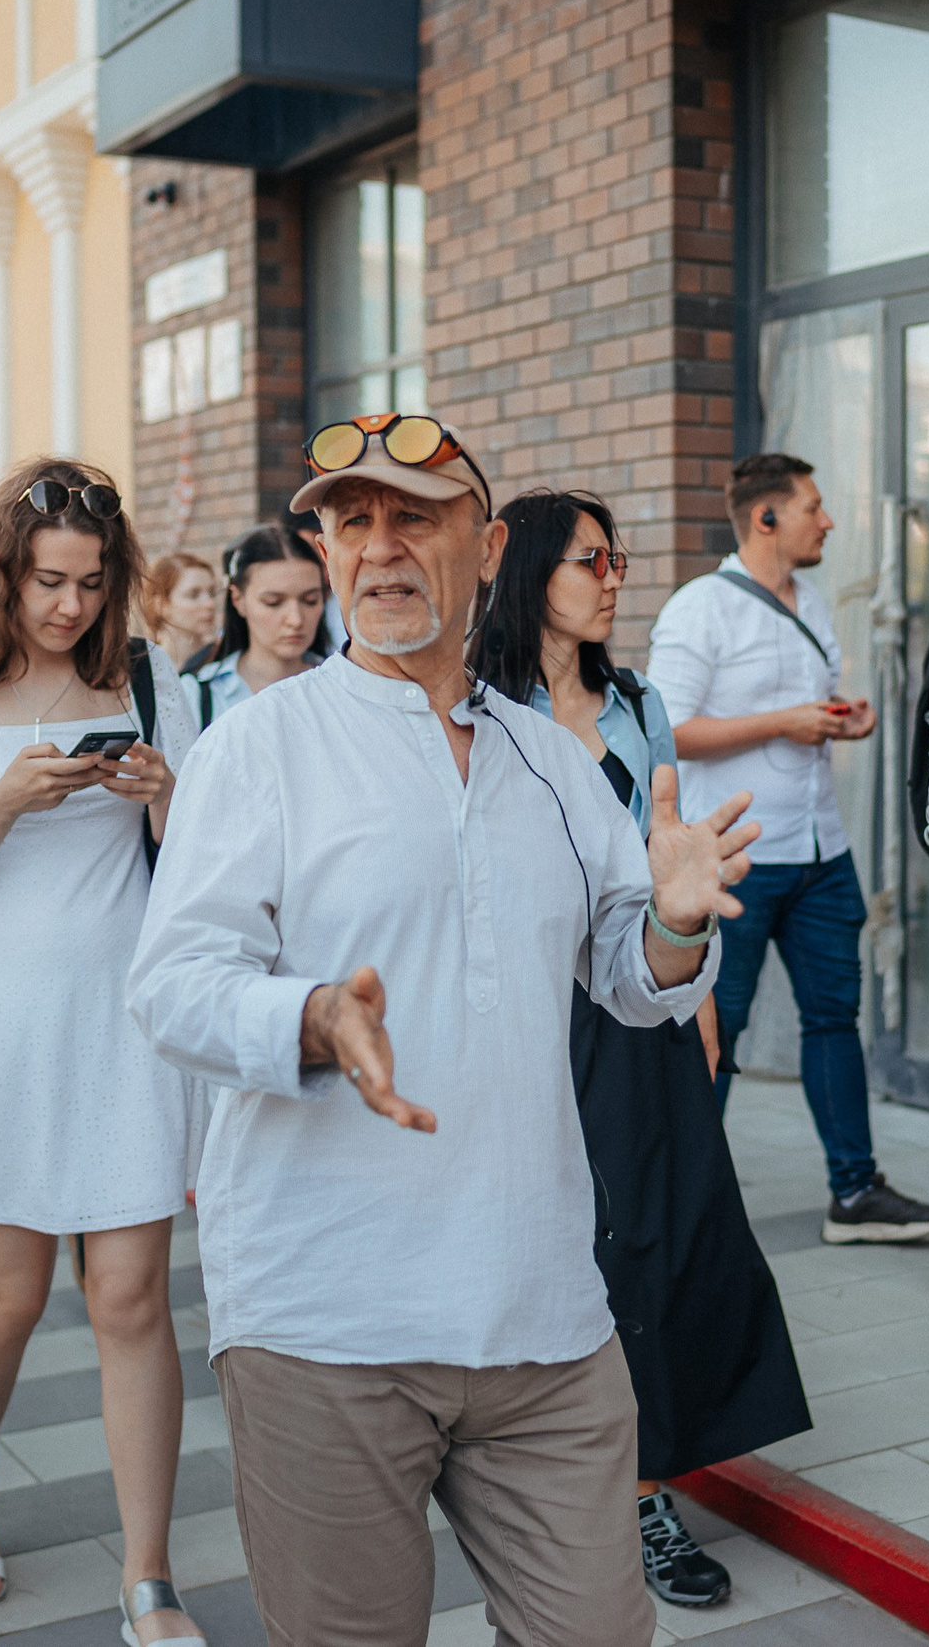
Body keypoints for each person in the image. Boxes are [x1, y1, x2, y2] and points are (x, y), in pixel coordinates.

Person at [129, 410, 757, 1647]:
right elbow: (173, 985)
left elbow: (633, 978)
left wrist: (678, 919)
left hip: (542, 1314)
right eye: (350, 521)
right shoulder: (258, 748)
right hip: (325, 1318)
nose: (379, 548)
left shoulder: (551, 757)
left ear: (487, 541)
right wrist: (309, 1016)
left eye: (414, 515)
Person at [0, 458, 207, 1642]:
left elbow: (195, 870)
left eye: (88, 583)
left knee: (131, 1297)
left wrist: (169, 797)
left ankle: (150, 1572)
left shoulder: (151, 676)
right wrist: (6, 800)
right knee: (9, 1296)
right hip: (0, 1017)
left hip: (125, 1020)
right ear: (1, 575)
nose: (68, 607)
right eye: (45, 581)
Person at [474, 487, 811, 1607]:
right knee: (570, 1239)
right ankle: (566, 1475)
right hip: (530, 1010)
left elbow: (666, 863)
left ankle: (647, 1486)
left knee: (665, 1237)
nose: (614, 576)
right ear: (526, 573)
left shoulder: (636, 701)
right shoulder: (478, 711)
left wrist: (699, 1003)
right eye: (590, 560)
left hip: (642, 1002)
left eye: (617, 558)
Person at [648, 452, 929, 1244]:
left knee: (833, 1019)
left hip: (820, 849)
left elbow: (811, 708)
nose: (830, 520)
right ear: (765, 518)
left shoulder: (812, 601)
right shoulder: (699, 609)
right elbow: (667, 731)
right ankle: (687, 1205)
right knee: (717, 1028)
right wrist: (783, 721)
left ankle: (855, 1193)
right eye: (814, 507)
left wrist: (843, 720)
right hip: (737, 859)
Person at [180, 523, 329, 728]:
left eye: (310, 600)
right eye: (273, 602)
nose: (295, 619)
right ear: (238, 600)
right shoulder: (198, 694)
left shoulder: (341, 686)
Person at [141, 551, 223, 672]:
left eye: (212, 593)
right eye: (193, 595)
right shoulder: (143, 669)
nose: (209, 604)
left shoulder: (224, 660)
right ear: (161, 604)